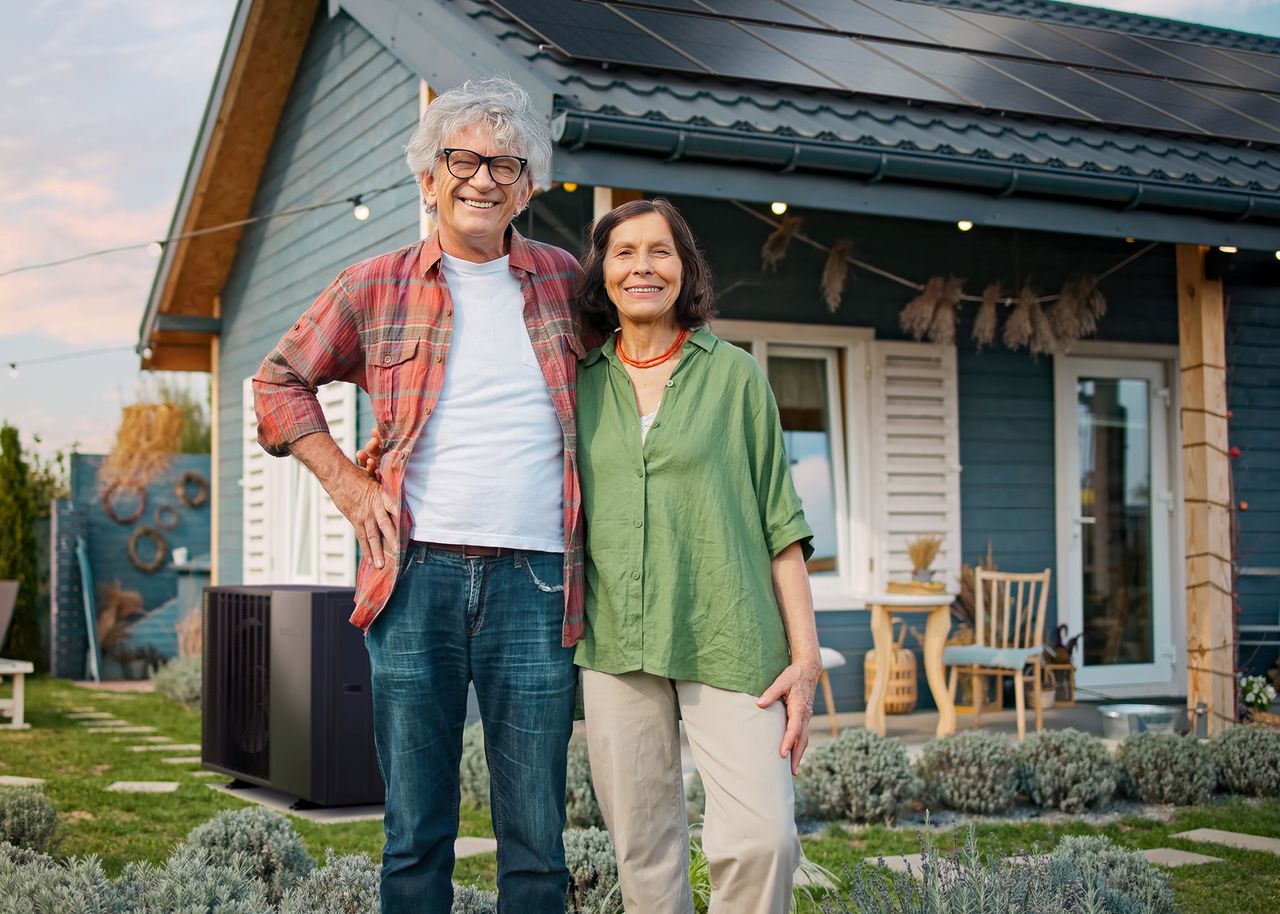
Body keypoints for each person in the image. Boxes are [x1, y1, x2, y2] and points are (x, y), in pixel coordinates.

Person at [252, 76, 587, 914]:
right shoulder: (376, 283)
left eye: (505, 164)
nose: (482, 178)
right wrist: (346, 481)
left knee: (539, 841)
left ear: (527, 187)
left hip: (541, 584)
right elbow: (278, 382)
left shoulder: (569, 283)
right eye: (461, 159)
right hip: (414, 577)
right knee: (413, 837)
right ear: (427, 178)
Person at [573, 197, 821, 914]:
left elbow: (783, 523)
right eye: (623, 252)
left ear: (685, 269)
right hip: (616, 639)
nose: (642, 267)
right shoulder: (580, 384)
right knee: (643, 855)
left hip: (732, 634)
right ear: (603, 272)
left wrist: (805, 661)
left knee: (764, 839)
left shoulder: (736, 376)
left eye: (661, 251)